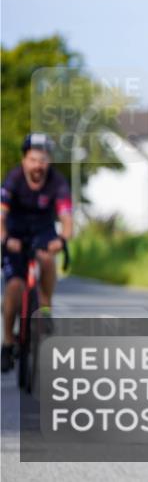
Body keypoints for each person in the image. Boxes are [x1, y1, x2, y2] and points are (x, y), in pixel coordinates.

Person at [1, 133, 73, 372]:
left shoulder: (57, 182)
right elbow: (1, 214)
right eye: (33, 159)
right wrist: (4, 238)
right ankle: (8, 342)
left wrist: (62, 238)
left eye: (42, 160)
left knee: (47, 258)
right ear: (24, 160)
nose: (38, 165)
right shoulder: (13, 179)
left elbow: (66, 217)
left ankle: (45, 306)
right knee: (14, 287)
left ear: (48, 161)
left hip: (43, 233)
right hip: (15, 236)